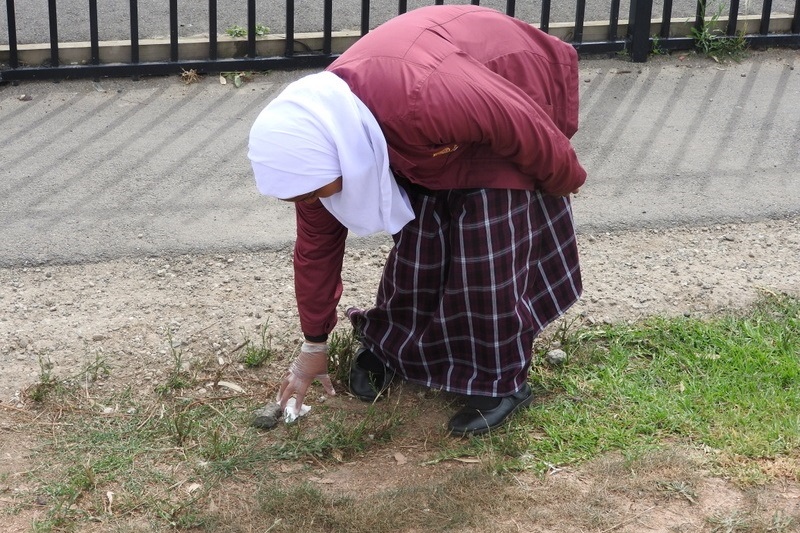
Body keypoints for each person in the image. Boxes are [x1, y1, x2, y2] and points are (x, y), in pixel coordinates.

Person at [248, 4, 586, 436]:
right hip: (436, 119)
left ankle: (501, 381)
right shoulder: (318, 149)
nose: (310, 202)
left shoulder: (421, 98)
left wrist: (564, 177)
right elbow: (315, 249)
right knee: (421, 235)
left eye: (311, 192)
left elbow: (517, 121)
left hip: (507, 80)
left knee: (486, 244)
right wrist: (314, 343)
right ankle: (401, 348)